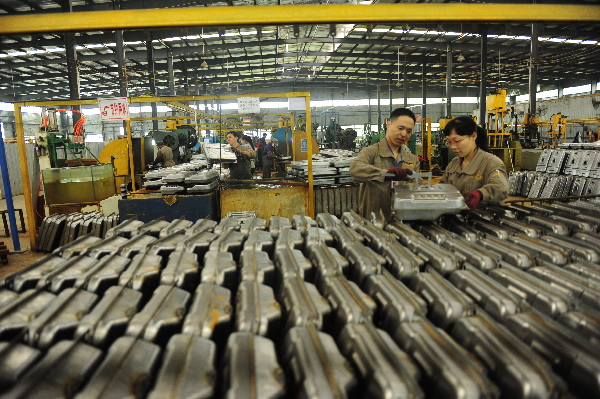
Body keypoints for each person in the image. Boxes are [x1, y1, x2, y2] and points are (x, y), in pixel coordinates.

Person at [350, 108, 420, 220]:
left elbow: (418, 185)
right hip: (374, 220)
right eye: (400, 128)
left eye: (408, 131)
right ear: (389, 124)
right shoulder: (371, 152)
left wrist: (405, 187)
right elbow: (355, 170)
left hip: (403, 221)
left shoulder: (412, 159)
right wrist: (385, 174)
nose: (404, 134)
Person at [440, 116, 509, 210]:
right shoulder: (454, 164)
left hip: (484, 219)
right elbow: (442, 187)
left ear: (473, 136)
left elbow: (501, 188)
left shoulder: (491, 163)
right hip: (458, 218)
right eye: (449, 142)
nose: (453, 147)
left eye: (457, 141)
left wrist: (480, 194)